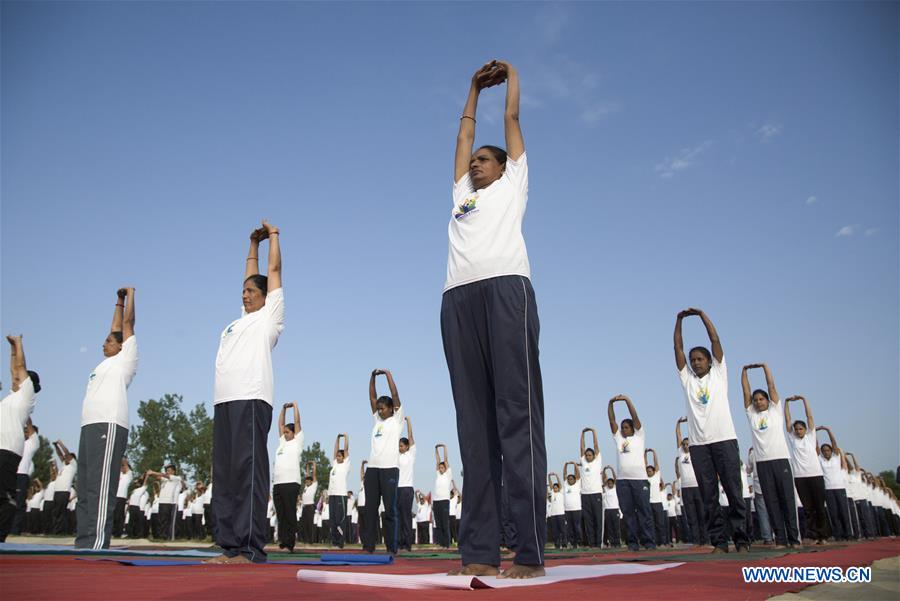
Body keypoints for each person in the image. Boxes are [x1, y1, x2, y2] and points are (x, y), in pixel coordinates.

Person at [440, 59, 546, 579]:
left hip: (507, 292)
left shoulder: (514, 184)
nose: (477, 163)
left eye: (486, 159)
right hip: (458, 301)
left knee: (516, 418)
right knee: (474, 428)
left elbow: (512, 122)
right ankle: (480, 549)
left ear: (505, 167)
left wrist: (510, 79)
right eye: (475, 160)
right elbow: (462, 139)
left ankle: (528, 551)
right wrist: (470, 91)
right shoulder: (463, 196)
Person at [208, 220, 284, 564]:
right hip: (224, 402)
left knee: (247, 472)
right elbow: (251, 273)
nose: (245, 294)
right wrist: (251, 246)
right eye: (243, 292)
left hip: (252, 399)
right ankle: (228, 545)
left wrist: (272, 237)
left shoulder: (270, 317)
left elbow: (273, 269)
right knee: (224, 474)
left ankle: (251, 547)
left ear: (265, 297)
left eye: (251, 292)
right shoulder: (239, 319)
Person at [674, 308, 749, 553]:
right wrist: (679, 321)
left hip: (724, 440)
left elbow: (715, 340)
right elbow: (677, 349)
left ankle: (742, 540)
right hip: (698, 445)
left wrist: (702, 315)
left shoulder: (719, 373)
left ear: (709, 361)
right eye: (693, 359)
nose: (695, 362)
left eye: (700, 359)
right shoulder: (687, 380)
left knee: (734, 491)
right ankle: (719, 542)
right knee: (709, 496)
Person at [75, 287, 137, 549]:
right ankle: (83, 540)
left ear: (121, 346)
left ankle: (97, 542)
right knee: (86, 486)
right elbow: (115, 326)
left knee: (100, 487)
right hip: (89, 425)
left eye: (109, 341)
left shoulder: (125, 359)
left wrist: (129, 297)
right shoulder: (102, 364)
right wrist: (117, 302)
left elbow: (126, 325)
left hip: (109, 423)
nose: (104, 343)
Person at [741, 364, 799, 548]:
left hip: (781, 460)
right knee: (771, 503)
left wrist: (765, 367)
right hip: (763, 464)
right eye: (756, 400)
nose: (758, 402)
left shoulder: (775, 411)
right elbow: (745, 391)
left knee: (787, 500)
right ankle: (780, 539)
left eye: (761, 399)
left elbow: (771, 386)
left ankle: (794, 538)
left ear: (767, 401)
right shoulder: (751, 415)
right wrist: (744, 372)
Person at [0, 335, 39, 542]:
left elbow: (21, 366)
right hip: (1, 447)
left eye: (19, 379)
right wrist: (12, 349)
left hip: (8, 449)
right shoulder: (11, 395)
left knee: (4, 497)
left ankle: (1, 536)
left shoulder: (26, 395)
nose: (15, 378)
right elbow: (14, 368)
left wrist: (20, 343)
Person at [363, 369, 403, 554]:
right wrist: (372, 377)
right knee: (370, 509)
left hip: (389, 470)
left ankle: (391, 547)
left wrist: (387, 374)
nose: (379, 410)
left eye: (382, 408)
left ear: (391, 408)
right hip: (373, 470)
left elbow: (394, 393)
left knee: (389, 510)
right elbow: (372, 396)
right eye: (378, 408)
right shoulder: (376, 420)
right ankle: (368, 546)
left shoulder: (397, 420)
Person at [608, 395, 654, 551]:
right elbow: (612, 421)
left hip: (639, 480)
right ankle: (633, 543)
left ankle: (648, 542)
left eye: (626, 427)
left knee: (644, 511)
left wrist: (627, 400)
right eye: (622, 428)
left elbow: (635, 416)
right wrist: (610, 404)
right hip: (622, 481)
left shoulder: (639, 436)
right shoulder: (619, 439)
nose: (623, 429)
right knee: (628, 513)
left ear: (633, 428)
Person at [785, 396, 830, 544]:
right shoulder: (792, 438)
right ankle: (813, 536)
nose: (798, 431)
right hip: (800, 477)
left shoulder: (810, 436)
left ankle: (823, 536)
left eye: (801, 428)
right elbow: (787, 420)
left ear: (805, 429)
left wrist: (804, 399)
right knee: (808, 509)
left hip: (815, 475)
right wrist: (786, 403)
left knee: (819, 507)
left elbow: (809, 416)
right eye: (796, 429)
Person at [272, 402, 303, 552]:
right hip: (278, 482)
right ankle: (283, 543)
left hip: (291, 482)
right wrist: (283, 409)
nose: (284, 434)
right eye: (284, 432)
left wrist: (295, 406)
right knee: (281, 514)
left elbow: (297, 422)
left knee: (289, 513)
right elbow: (280, 423)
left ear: (293, 433)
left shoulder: (297, 442)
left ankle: (290, 544)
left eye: (287, 432)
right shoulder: (282, 443)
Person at [675, 417, 706, 545]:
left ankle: (705, 539)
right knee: (691, 516)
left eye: (688, 444)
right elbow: (678, 436)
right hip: (686, 488)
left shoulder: (697, 452)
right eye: (684, 444)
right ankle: (696, 540)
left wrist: (692, 422)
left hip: (697, 486)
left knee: (701, 514)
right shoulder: (681, 454)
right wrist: (678, 423)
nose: (686, 446)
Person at [816, 425, 851, 541]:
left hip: (840, 489)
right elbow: (815, 446)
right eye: (823, 451)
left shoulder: (836, 457)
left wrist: (827, 430)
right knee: (834, 514)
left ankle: (848, 534)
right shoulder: (820, 460)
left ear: (831, 451)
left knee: (844, 512)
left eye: (827, 450)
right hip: (828, 490)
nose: (826, 452)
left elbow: (833, 442)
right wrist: (814, 433)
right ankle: (838, 535)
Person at [13, 420, 40, 535]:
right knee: (8, 503)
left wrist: (26, 416)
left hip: (22, 475)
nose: (25, 432)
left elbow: (29, 427)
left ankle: (14, 530)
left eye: (27, 431)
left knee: (19, 504)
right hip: (12, 474)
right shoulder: (20, 442)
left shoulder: (33, 443)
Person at [579, 427, 604, 548]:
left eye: (590, 455)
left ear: (594, 455)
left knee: (597, 519)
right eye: (587, 455)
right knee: (588, 520)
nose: (588, 456)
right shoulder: (583, 461)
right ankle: (591, 543)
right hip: (585, 494)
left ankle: (598, 543)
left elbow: (595, 444)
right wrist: (582, 434)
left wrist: (593, 432)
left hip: (596, 493)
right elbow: (582, 447)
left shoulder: (597, 461)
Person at [147, 465, 183, 540]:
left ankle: (167, 536)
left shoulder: (176, 478)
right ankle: (162, 536)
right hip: (162, 501)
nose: (167, 472)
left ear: (173, 471)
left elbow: (163, 475)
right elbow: (157, 477)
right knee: (161, 520)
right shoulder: (164, 479)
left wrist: (153, 472)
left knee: (167, 520)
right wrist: (150, 474)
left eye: (169, 470)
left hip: (169, 502)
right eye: (167, 470)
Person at [328, 433, 351, 549]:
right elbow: (335, 450)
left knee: (340, 520)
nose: (337, 457)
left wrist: (345, 438)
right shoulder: (335, 464)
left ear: (344, 457)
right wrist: (337, 438)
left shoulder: (346, 465)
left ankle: (340, 542)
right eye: (337, 456)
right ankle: (334, 541)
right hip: (332, 495)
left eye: (340, 456)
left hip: (341, 495)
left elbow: (345, 450)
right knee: (332, 520)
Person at [397, 416, 416, 552]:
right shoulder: (396, 455)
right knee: (397, 517)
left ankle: (407, 544)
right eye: (399, 446)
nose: (400, 447)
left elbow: (410, 436)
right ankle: (398, 543)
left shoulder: (411, 454)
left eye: (402, 445)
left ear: (407, 446)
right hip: (396, 489)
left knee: (406, 517)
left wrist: (408, 421)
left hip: (407, 489)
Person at [52, 440, 77, 535]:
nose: (65, 458)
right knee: (56, 512)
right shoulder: (64, 464)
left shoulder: (73, 465)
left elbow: (66, 453)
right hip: (57, 491)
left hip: (64, 491)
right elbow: (60, 454)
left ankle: (62, 531)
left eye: (67, 457)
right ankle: (56, 531)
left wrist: (61, 443)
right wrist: (56, 446)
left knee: (61, 512)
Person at [432, 444, 454, 549]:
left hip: (444, 500)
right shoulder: (438, 475)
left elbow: (445, 459)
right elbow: (438, 460)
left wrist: (444, 448)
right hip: (436, 501)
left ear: (445, 468)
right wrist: (436, 449)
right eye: (439, 468)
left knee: (445, 523)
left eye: (442, 467)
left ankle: (447, 544)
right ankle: (441, 544)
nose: (440, 469)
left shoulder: (448, 474)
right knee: (439, 523)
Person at [645, 449, 667, 546]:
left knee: (660, 524)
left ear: (654, 471)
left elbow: (656, 463)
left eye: (650, 471)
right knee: (650, 524)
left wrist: (653, 452)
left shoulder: (657, 476)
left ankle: (662, 542)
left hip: (657, 503)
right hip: (648, 503)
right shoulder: (645, 478)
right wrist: (645, 454)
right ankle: (653, 542)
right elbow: (644, 464)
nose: (649, 472)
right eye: (648, 471)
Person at [562, 462, 582, 548]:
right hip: (567, 510)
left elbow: (577, 473)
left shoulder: (577, 484)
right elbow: (564, 474)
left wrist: (574, 464)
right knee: (569, 528)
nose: (570, 480)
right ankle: (571, 542)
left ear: (574, 479)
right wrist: (566, 465)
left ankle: (578, 542)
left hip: (576, 509)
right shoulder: (566, 485)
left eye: (571, 479)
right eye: (569, 479)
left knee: (577, 527)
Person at [112, 458, 134, 538]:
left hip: (122, 497)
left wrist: (123, 460)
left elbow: (126, 466)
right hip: (114, 496)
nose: (122, 468)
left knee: (119, 515)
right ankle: (113, 532)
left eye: (123, 467)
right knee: (113, 515)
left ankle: (118, 532)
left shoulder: (129, 475)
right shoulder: (120, 474)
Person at [602, 467, 620, 547]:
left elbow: (615, 478)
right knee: (609, 528)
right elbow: (603, 479)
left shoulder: (616, 488)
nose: (609, 484)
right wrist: (604, 470)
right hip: (607, 510)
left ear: (613, 483)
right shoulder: (605, 488)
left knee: (616, 527)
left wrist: (612, 469)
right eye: (608, 483)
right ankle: (612, 543)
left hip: (615, 510)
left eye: (611, 483)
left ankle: (617, 543)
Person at [300, 463, 317, 545]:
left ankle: (311, 540)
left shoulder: (314, 486)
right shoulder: (306, 487)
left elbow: (313, 475)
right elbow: (307, 475)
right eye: (306, 481)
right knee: (304, 524)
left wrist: (314, 466)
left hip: (310, 507)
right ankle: (305, 540)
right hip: (304, 507)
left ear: (311, 481)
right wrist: (307, 466)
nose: (306, 482)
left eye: (308, 481)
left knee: (310, 524)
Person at [126, 474, 148, 539]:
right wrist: (138, 479)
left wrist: (146, 476)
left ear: (140, 484)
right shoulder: (134, 490)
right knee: (131, 521)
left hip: (136, 506)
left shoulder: (141, 490)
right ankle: (130, 534)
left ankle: (138, 534)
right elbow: (133, 483)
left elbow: (145, 483)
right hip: (132, 506)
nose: (136, 484)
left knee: (136, 521)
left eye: (138, 483)